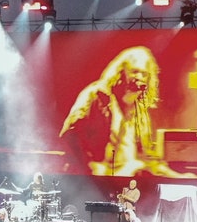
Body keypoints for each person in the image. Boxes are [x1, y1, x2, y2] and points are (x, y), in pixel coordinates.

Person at [59, 46, 169, 177]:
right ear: (121, 72)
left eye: (144, 74)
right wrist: (88, 167)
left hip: (125, 181)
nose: (139, 77)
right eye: (134, 71)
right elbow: (70, 134)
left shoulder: (139, 110)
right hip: (95, 181)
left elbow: (147, 156)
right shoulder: (96, 96)